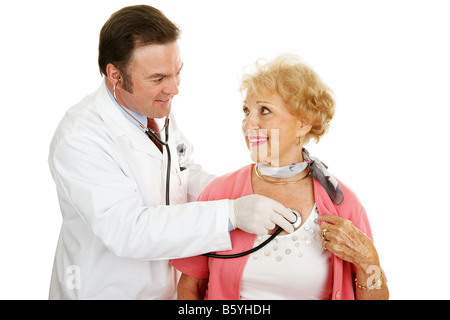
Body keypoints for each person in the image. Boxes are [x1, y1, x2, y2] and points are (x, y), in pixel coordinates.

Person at [47, 5, 296, 300]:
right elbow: (128, 230)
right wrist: (229, 214)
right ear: (116, 75)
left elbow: (180, 172)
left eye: (177, 72)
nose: (174, 88)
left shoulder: (150, 109)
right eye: (158, 78)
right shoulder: (80, 139)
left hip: (169, 289)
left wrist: (241, 191)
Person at [171, 55, 389, 300]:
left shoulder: (341, 202)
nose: (248, 124)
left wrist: (368, 260)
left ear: (304, 122)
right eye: (246, 111)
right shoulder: (218, 193)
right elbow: (190, 288)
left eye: (264, 111)